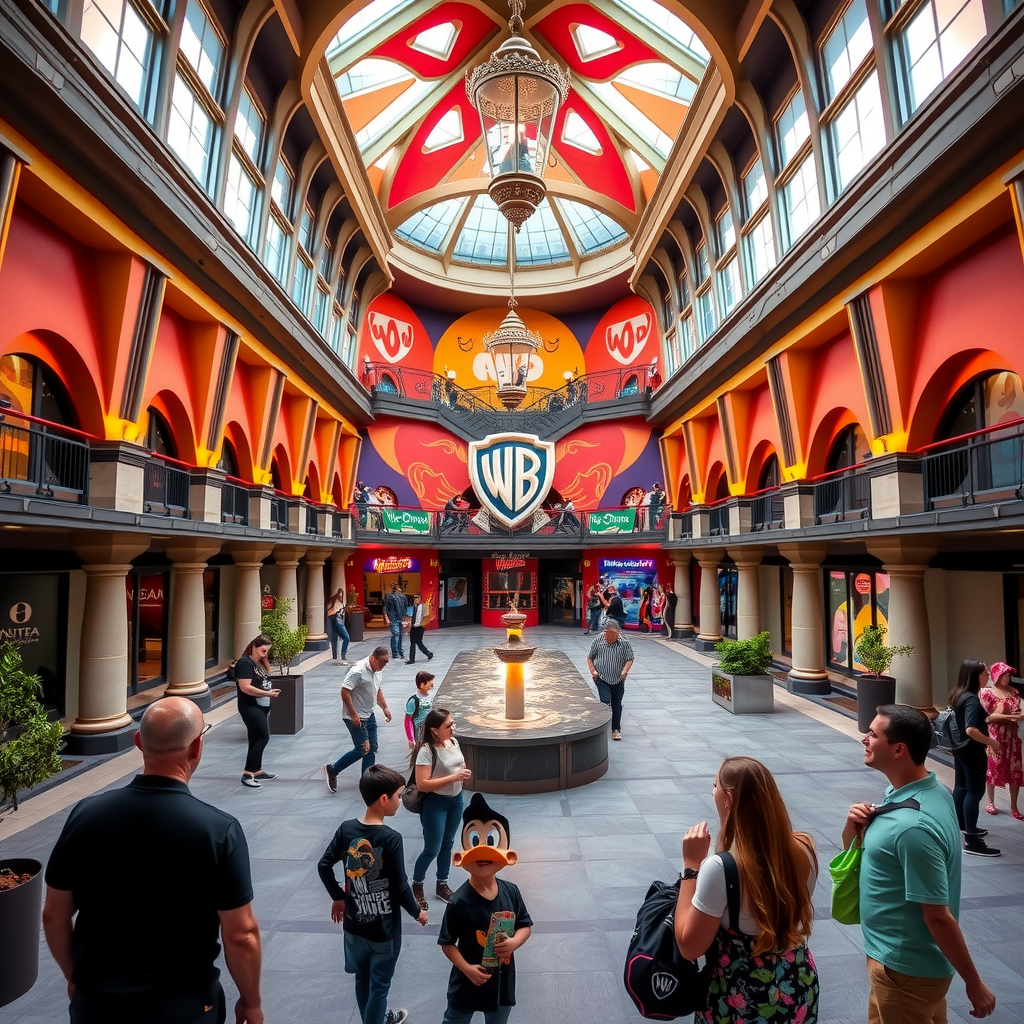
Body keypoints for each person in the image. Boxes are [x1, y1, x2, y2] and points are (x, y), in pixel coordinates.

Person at [43, 697, 263, 1024]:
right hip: (185, 1006)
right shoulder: (219, 830)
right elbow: (240, 934)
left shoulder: (85, 815)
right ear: (196, 747)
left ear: (137, 743)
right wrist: (251, 1001)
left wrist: (75, 977)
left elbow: (54, 916)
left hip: (99, 1005)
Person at [844, 705, 996, 1021]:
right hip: (905, 964)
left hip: (903, 970)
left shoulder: (913, 828)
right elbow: (875, 860)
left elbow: (937, 916)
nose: (865, 739)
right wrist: (853, 830)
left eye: (873, 734)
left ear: (899, 749)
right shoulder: (929, 790)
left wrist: (974, 982)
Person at [674, 756, 819, 1024]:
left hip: (741, 997)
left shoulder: (721, 868)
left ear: (728, 798)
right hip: (797, 985)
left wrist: (691, 868)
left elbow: (689, 947)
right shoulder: (805, 850)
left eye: (714, 786)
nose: (712, 791)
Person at [317, 764, 427, 1024]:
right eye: (399, 796)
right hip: (384, 932)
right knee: (380, 986)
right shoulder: (391, 838)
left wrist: (338, 897)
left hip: (354, 928)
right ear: (384, 799)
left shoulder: (346, 829)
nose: (401, 801)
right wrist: (417, 912)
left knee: (362, 979)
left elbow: (323, 865)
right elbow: (400, 886)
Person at [438, 793, 532, 1024]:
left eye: (490, 841)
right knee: (455, 1019)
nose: (482, 852)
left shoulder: (511, 891)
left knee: (498, 1019)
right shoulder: (458, 902)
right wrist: (467, 969)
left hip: (501, 981)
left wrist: (515, 942)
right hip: (466, 981)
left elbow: (525, 925)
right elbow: (447, 943)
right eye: (474, 841)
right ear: (460, 857)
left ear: (508, 855)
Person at [409, 707, 472, 911]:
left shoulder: (453, 742)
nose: (453, 728)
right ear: (435, 730)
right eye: (448, 726)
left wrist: (461, 772)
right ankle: (417, 884)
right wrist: (454, 777)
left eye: (452, 723)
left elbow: (457, 764)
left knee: (448, 844)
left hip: (456, 800)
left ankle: (442, 884)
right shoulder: (426, 751)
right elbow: (422, 784)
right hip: (435, 804)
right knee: (432, 848)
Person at [949, 660, 1002, 855]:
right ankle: (971, 840)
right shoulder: (971, 698)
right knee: (975, 792)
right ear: (974, 676)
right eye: (985, 673)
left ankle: (962, 826)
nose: (987, 676)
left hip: (960, 748)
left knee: (961, 787)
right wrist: (991, 742)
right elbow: (971, 729)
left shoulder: (958, 694)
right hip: (971, 749)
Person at [323, 647, 392, 794]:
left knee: (372, 748)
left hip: (369, 713)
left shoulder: (378, 670)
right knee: (362, 749)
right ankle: (333, 769)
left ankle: (367, 781)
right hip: (354, 716)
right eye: (382, 662)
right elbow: (344, 690)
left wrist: (384, 707)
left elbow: (377, 689)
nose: (383, 666)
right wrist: (353, 714)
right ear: (373, 658)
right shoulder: (358, 671)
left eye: (386, 663)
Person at [235, 633, 282, 789]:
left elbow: (268, 674)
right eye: (263, 650)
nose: (265, 654)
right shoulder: (244, 663)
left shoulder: (256, 662)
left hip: (260, 705)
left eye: (267, 651)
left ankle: (258, 770)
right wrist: (268, 693)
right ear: (254, 647)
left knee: (255, 738)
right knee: (262, 737)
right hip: (250, 706)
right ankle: (248, 773)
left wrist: (264, 659)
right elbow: (245, 687)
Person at [980, 660, 1024, 818]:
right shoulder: (986, 692)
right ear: (996, 676)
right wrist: (1007, 716)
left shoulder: (1014, 692)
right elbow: (987, 718)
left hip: (1012, 734)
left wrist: (1016, 716)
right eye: (1004, 674)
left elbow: (1018, 710)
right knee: (993, 767)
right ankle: (990, 802)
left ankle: (1014, 806)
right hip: (996, 734)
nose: (1007, 677)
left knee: (1015, 769)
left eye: (1008, 675)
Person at [586, 620, 633, 741]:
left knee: (617, 704)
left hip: (618, 678)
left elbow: (630, 659)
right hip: (602, 677)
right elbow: (590, 657)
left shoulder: (624, 643)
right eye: (607, 634)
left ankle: (616, 729)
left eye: (612, 635)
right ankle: (602, 725)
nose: (608, 637)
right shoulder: (598, 641)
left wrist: (625, 671)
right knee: (606, 701)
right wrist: (593, 671)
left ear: (617, 633)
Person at [404, 671, 434, 748]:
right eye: (429, 682)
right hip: (419, 733)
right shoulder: (414, 700)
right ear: (422, 685)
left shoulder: (431, 697)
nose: (432, 684)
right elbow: (408, 720)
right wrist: (410, 738)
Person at [406, 593, 434, 664]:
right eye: (414, 599)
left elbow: (427, 617)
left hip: (419, 627)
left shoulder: (424, 607)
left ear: (420, 599)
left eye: (417, 598)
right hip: (413, 627)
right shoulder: (413, 607)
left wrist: (423, 625)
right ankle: (411, 659)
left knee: (419, 643)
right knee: (412, 643)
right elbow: (409, 616)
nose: (415, 600)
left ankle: (428, 654)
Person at [326, 588, 352, 664]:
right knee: (346, 638)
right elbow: (331, 612)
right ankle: (342, 655)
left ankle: (336, 656)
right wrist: (337, 610)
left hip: (334, 620)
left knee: (335, 639)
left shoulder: (333, 602)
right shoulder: (336, 602)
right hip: (337, 620)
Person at [383, 584, 407, 660]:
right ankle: (395, 652)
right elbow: (385, 608)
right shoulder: (390, 597)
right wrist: (387, 618)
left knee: (400, 635)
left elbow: (405, 607)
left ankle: (399, 651)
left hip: (399, 618)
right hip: (393, 618)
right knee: (396, 634)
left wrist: (406, 618)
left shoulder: (402, 597)